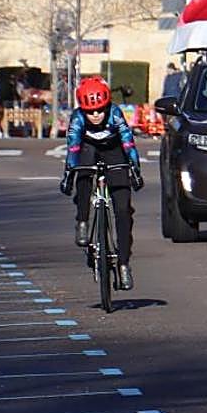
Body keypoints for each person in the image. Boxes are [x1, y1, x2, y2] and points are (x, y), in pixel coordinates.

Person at [59, 76, 144, 291]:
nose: (95, 115)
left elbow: (128, 142)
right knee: (84, 174)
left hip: (114, 150)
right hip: (88, 148)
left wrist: (134, 170)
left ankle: (124, 263)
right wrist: (68, 174)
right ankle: (82, 220)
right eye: (90, 111)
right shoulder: (77, 119)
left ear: (107, 105)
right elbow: (73, 149)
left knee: (123, 209)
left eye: (100, 110)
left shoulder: (116, 114)